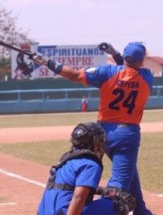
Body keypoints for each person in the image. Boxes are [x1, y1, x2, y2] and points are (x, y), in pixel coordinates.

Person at [33, 42, 153, 215]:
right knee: (120, 187)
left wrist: (48, 62)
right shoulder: (147, 76)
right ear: (141, 62)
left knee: (128, 169)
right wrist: (115, 53)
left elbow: (74, 75)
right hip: (127, 134)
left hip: (102, 134)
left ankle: (141, 210)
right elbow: (129, 67)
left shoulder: (106, 72)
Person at [37, 122, 136, 215]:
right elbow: (78, 197)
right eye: (99, 141)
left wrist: (101, 191)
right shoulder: (91, 164)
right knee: (119, 204)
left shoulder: (67, 160)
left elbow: (70, 186)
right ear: (93, 142)